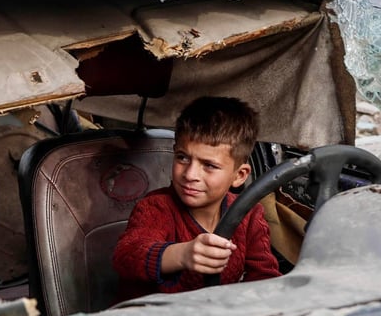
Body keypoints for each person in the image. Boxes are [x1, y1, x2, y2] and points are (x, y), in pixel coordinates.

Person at [112, 96, 280, 300]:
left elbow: (264, 278)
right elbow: (126, 256)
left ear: (239, 176)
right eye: (182, 158)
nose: (190, 175)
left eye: (209, 165)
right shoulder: (156, 207)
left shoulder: (249, 214)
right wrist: (181, 255)